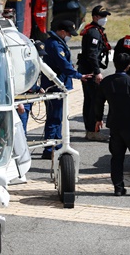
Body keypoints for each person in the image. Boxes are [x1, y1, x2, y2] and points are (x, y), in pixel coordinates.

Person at [94, 53, 130, 196]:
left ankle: (118, 187)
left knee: (117, 156)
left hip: (114, 124)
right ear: (128, 66)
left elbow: (98, 102)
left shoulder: (106, 82)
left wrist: (98, 119)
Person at [41, 21, 92, 159]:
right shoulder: (55, 45)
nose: (69, 36)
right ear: (62, 31)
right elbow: (64, 65)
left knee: (57, 117)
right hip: (55, 86)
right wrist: (79, 76)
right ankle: (50, 149)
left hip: (59, 85)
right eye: (69, 33)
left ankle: (56, 145)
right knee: (54, 118)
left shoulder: (56, 42)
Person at [78, 5, 112, 141]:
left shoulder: (95, 30)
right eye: (102, 17)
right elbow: (92, 54)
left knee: (89, 101)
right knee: (94, 102)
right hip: (90, 72)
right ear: (95, 17)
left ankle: (90, 130)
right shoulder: (94, 33)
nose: (105, 19)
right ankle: (93, 130)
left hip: (87, 70)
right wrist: (97, 72)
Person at [17, 40, 47, 135]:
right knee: (21, 128)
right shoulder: (23, 66)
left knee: (23, 125)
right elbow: (17, 85)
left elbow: (31, 83)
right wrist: (18, 103)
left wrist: (38, 89)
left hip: (28, 100)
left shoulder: (34, 64)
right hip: (21, 99)